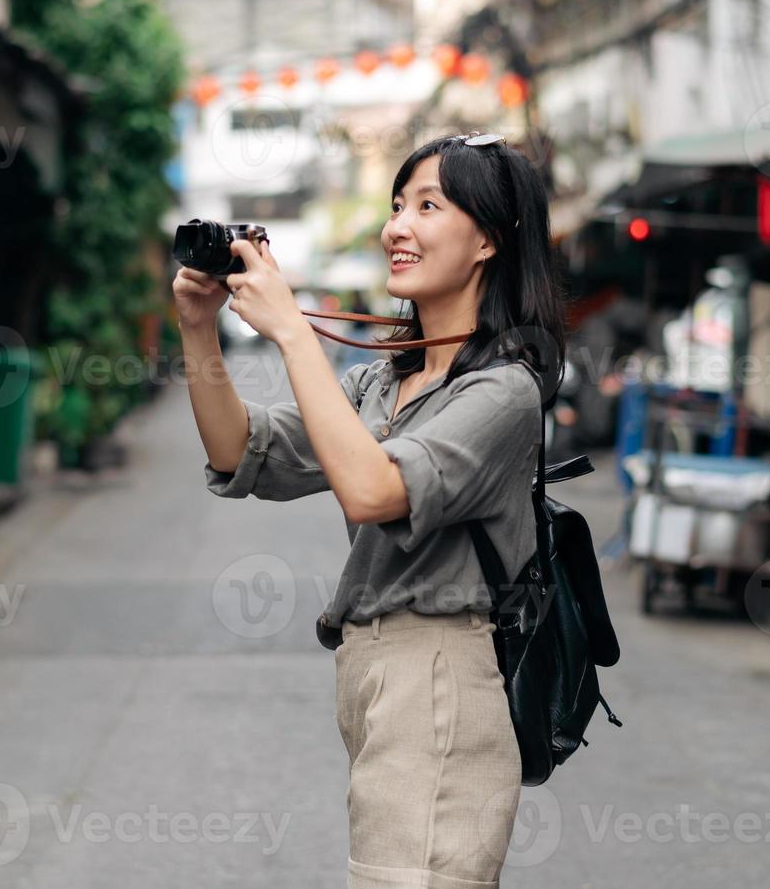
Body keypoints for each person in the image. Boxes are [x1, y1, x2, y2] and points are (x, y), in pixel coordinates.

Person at [172, 132, 566, 888]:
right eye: (395, 205)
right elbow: (242, 452)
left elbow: (375, 490)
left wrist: (291, 331)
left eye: (427, 205)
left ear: (488, 239)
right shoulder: (385, 382)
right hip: (372, 675)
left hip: (439, 674)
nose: (397, 227)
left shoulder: (504, 392)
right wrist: (199, 330)